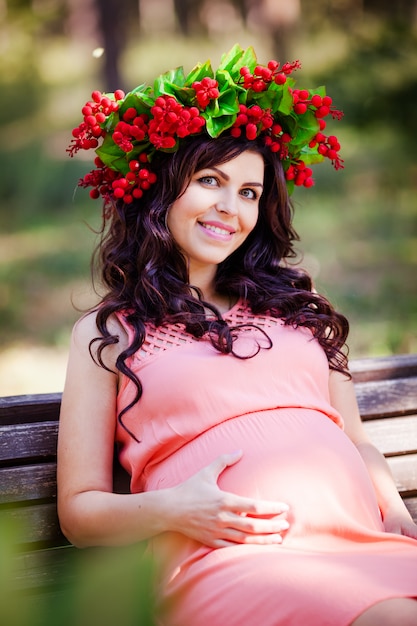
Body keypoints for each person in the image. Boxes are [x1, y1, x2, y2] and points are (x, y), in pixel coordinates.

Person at [58, 44, 417, 625]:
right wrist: (174, 509)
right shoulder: (108, 334)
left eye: (249, 193)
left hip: (359, 545)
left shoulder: (300, 306)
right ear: (159, 188)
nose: (231, 208)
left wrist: (395, 512)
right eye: (210, 180)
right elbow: (79, 513)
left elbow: (356, 439)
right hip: (230, 562)